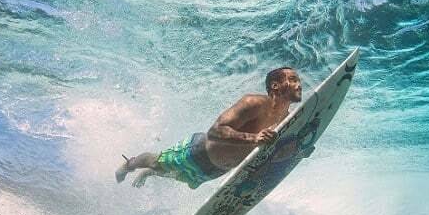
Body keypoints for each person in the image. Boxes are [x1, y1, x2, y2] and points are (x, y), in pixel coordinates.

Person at [116, 67, 302, 189]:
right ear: (275, 86)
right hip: (198, 152)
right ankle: (130, 164)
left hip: (217, 170)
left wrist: (295, 152)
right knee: (157, 162)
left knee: (180, 177)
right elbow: (216, 131)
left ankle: (150, 174)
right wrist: (253, 138)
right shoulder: (253, 103)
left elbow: (271, 151)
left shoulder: (286, 120)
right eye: (293, 79)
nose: (299, 84)